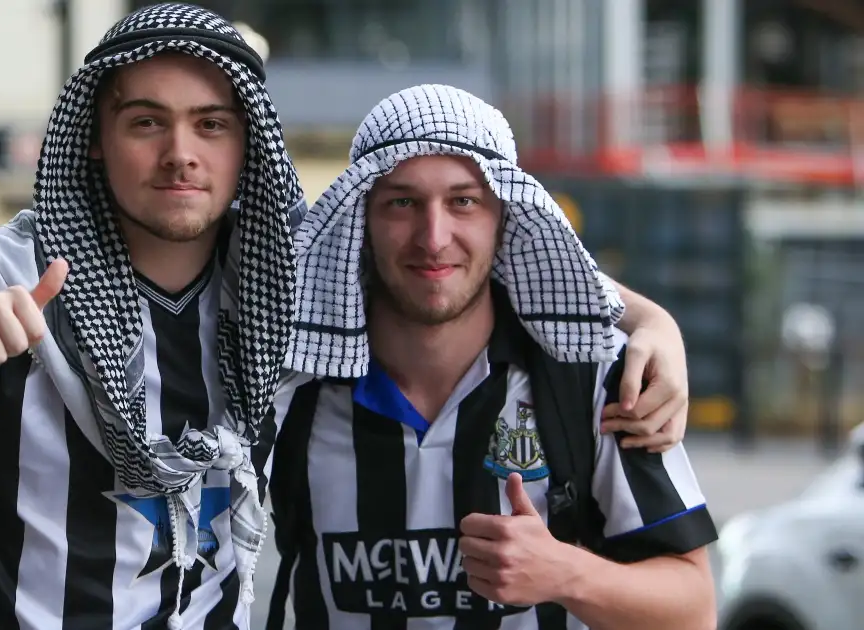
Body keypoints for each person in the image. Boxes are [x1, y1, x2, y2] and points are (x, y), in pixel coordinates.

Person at [0, 5, 691, 629]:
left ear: (246, 143)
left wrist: (655, 326)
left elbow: (460, 271)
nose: (181, 154)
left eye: (211, 124)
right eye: (146, 123)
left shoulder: (284, 276)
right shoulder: (4, 270)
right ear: (96, 138)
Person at [263, 85, 716, 628]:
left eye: (464, 201)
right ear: (361, 221)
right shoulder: (290, 380)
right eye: (402, 202)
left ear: (506, 219)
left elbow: (695, 610)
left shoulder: (593, 373)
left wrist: (566, 574)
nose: (434, 238)